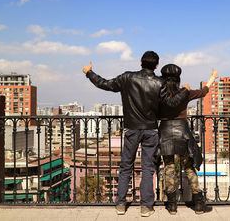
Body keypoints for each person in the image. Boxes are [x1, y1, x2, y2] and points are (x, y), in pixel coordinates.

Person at [82, 51, 190, 217]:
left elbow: (105, 84)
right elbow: (171, 102)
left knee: (126, 166)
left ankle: (120, 204)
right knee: (147, 168)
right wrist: (185, 91)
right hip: (151, 130)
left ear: (140, 62)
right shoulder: (160, 82)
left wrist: (89, 72)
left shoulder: (127, 77)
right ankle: (146, 206)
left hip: (131, 129)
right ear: (156, 66)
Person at [158, 64, 218, 215]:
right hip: (182, 132)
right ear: (178, 79)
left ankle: (172, 205)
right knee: (189, 167)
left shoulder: (158, 95)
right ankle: (198, 204)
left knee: (169, 167)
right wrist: (212, 78)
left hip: (165, 132)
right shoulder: (184, 93)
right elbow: (203, 92)